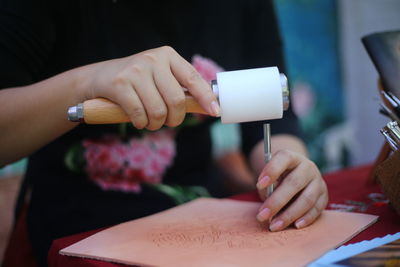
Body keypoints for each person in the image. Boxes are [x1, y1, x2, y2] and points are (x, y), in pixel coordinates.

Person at [0, 0, 328, 266]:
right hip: (78, 231)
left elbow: (271, 112)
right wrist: (86, 82)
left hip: (201, 225)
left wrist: (291, 169)